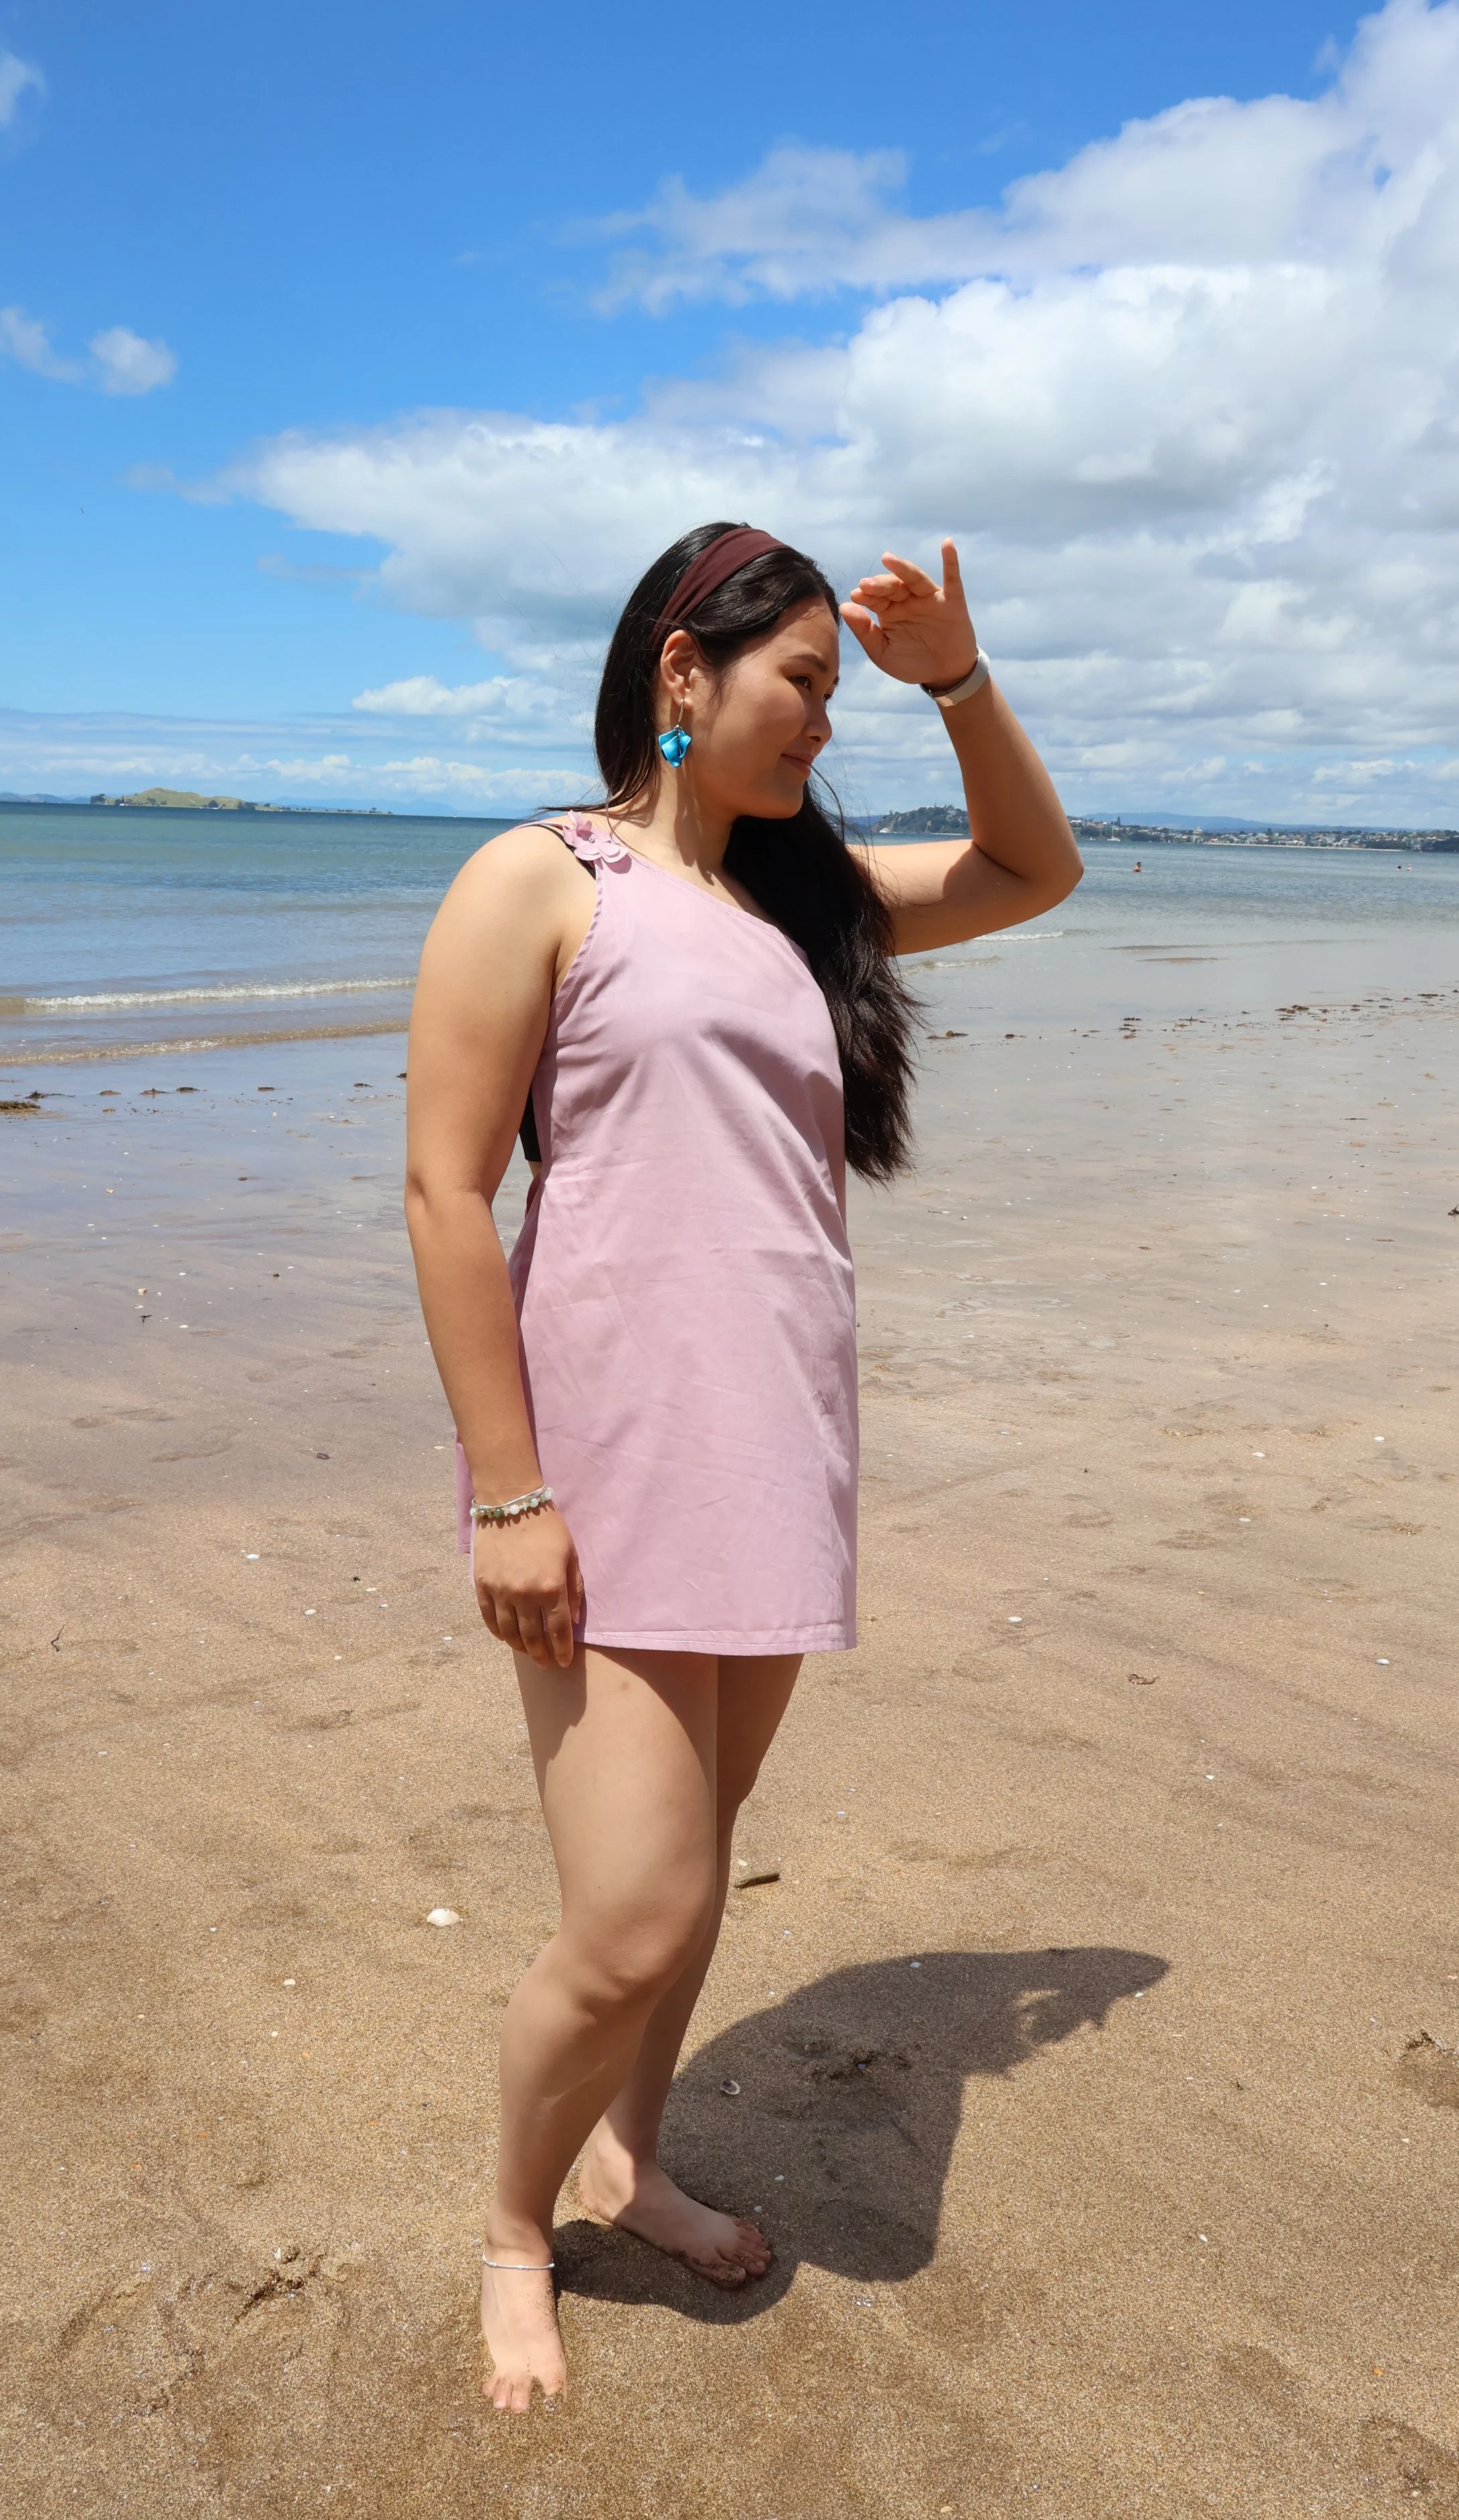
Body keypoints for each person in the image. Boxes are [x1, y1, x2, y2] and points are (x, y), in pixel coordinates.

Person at [403, 523, 1081, 2412]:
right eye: (801, 684)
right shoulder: (540, 879)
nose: (817, 725)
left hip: (774, 1447)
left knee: (688, 1898)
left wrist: (957, 678)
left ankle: (633, 2163)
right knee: (626, 1908)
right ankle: (517, 2230)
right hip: (599, 1471)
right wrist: (511, 1493)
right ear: (679, 678)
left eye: (835, 697)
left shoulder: (810, 900)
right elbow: (446, 1192)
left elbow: (1037, 866)